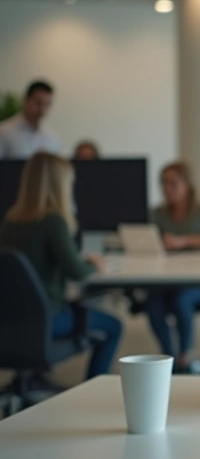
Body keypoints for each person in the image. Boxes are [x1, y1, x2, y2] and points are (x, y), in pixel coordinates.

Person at [0, 152, 122, 379]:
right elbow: (77, 272)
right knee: (114, 327)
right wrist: (93, 263)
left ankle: (29, 380)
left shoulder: (10, 221)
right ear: (60, 185)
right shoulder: (53, 221)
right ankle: (93, 387)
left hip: (7, 323)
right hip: (49, 319)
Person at [145, 161, 200, 372]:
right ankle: (168, 356)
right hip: (169, 278)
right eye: (164, 183)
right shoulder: (158, 213)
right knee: (153, 301)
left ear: (187, 185)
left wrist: (184, 241)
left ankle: (185, 356)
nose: (167, 189)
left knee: (182, 299)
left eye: (173, 183)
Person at [0, 81, 61, 159]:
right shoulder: (4, 132)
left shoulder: (53, 138)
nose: (42, 109)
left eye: (47, 104)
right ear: (25, 100)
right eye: (38, 103)